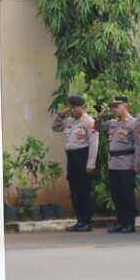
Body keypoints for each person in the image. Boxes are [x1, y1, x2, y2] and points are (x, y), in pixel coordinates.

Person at [98, 98, 140, 233]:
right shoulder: (113, 123)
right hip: (113, 164)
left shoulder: (133, 124)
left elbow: (139, 144)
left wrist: (137, 163)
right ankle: (120, 221)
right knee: (116, 194)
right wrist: (99, 117)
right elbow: (97, 128)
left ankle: (129, 223)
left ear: (125, 106)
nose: (114, 109)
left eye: (116, 106)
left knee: (127, 195)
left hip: (126, 163)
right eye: (112, 107)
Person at [51, 95, 99, 233]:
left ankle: (86, 221)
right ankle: (79, 220)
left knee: (84, 190)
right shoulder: (70, 122)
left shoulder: (89, 122)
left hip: (82, 156)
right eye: (71, 107)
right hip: (72, 158)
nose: (72, 110)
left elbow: (94, 143)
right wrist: (60, 115)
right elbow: (55, 127)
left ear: (83, 107)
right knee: (75, 190)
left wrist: (91, 164)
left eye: (74, 107)